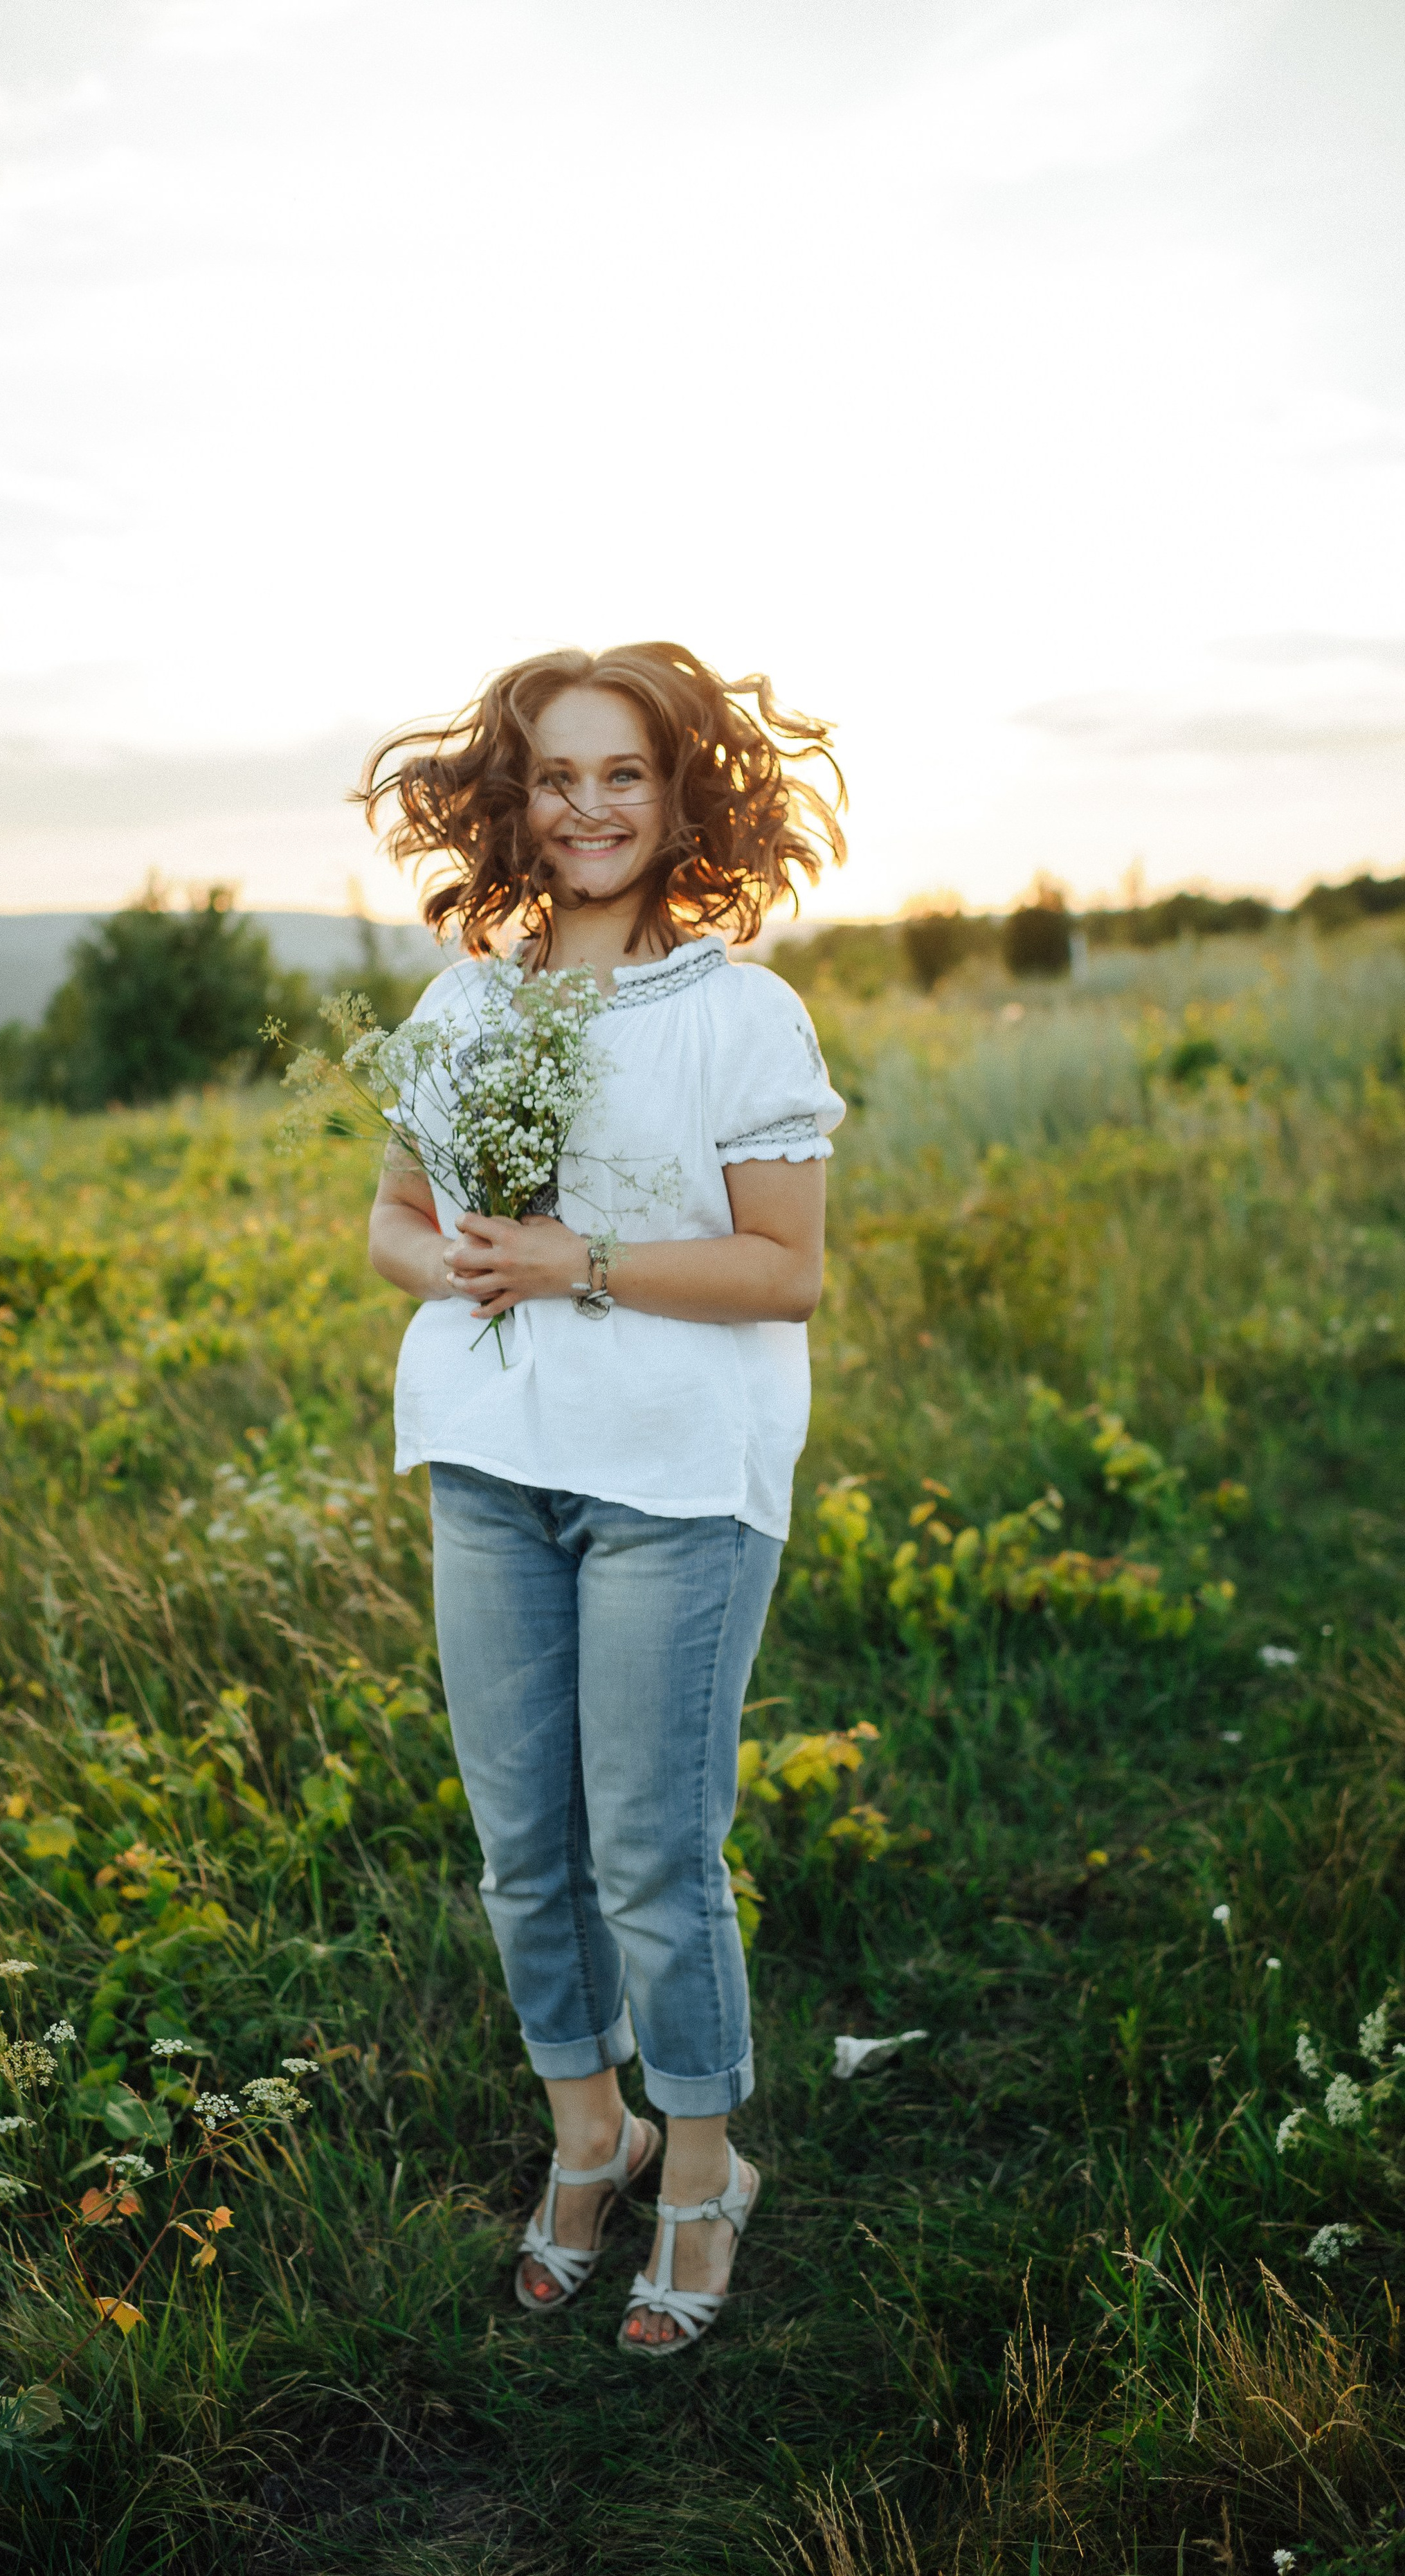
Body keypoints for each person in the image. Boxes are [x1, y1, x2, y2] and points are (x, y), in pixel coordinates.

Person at [361, 642, 846, 2354]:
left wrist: (582, 1260)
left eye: (622, 773)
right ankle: (595, 2138)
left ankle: (704, 2170)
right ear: (511, 797)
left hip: (672, 1483)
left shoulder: (740, 1012)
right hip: (491, 1472)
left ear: (680, 790)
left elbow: (783, 1272)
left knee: (649, 1850)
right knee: (521, 1848)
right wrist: (465, 1262)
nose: (586, 808)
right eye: (555, 776)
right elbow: (394, 1225)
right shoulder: (466, 1001)